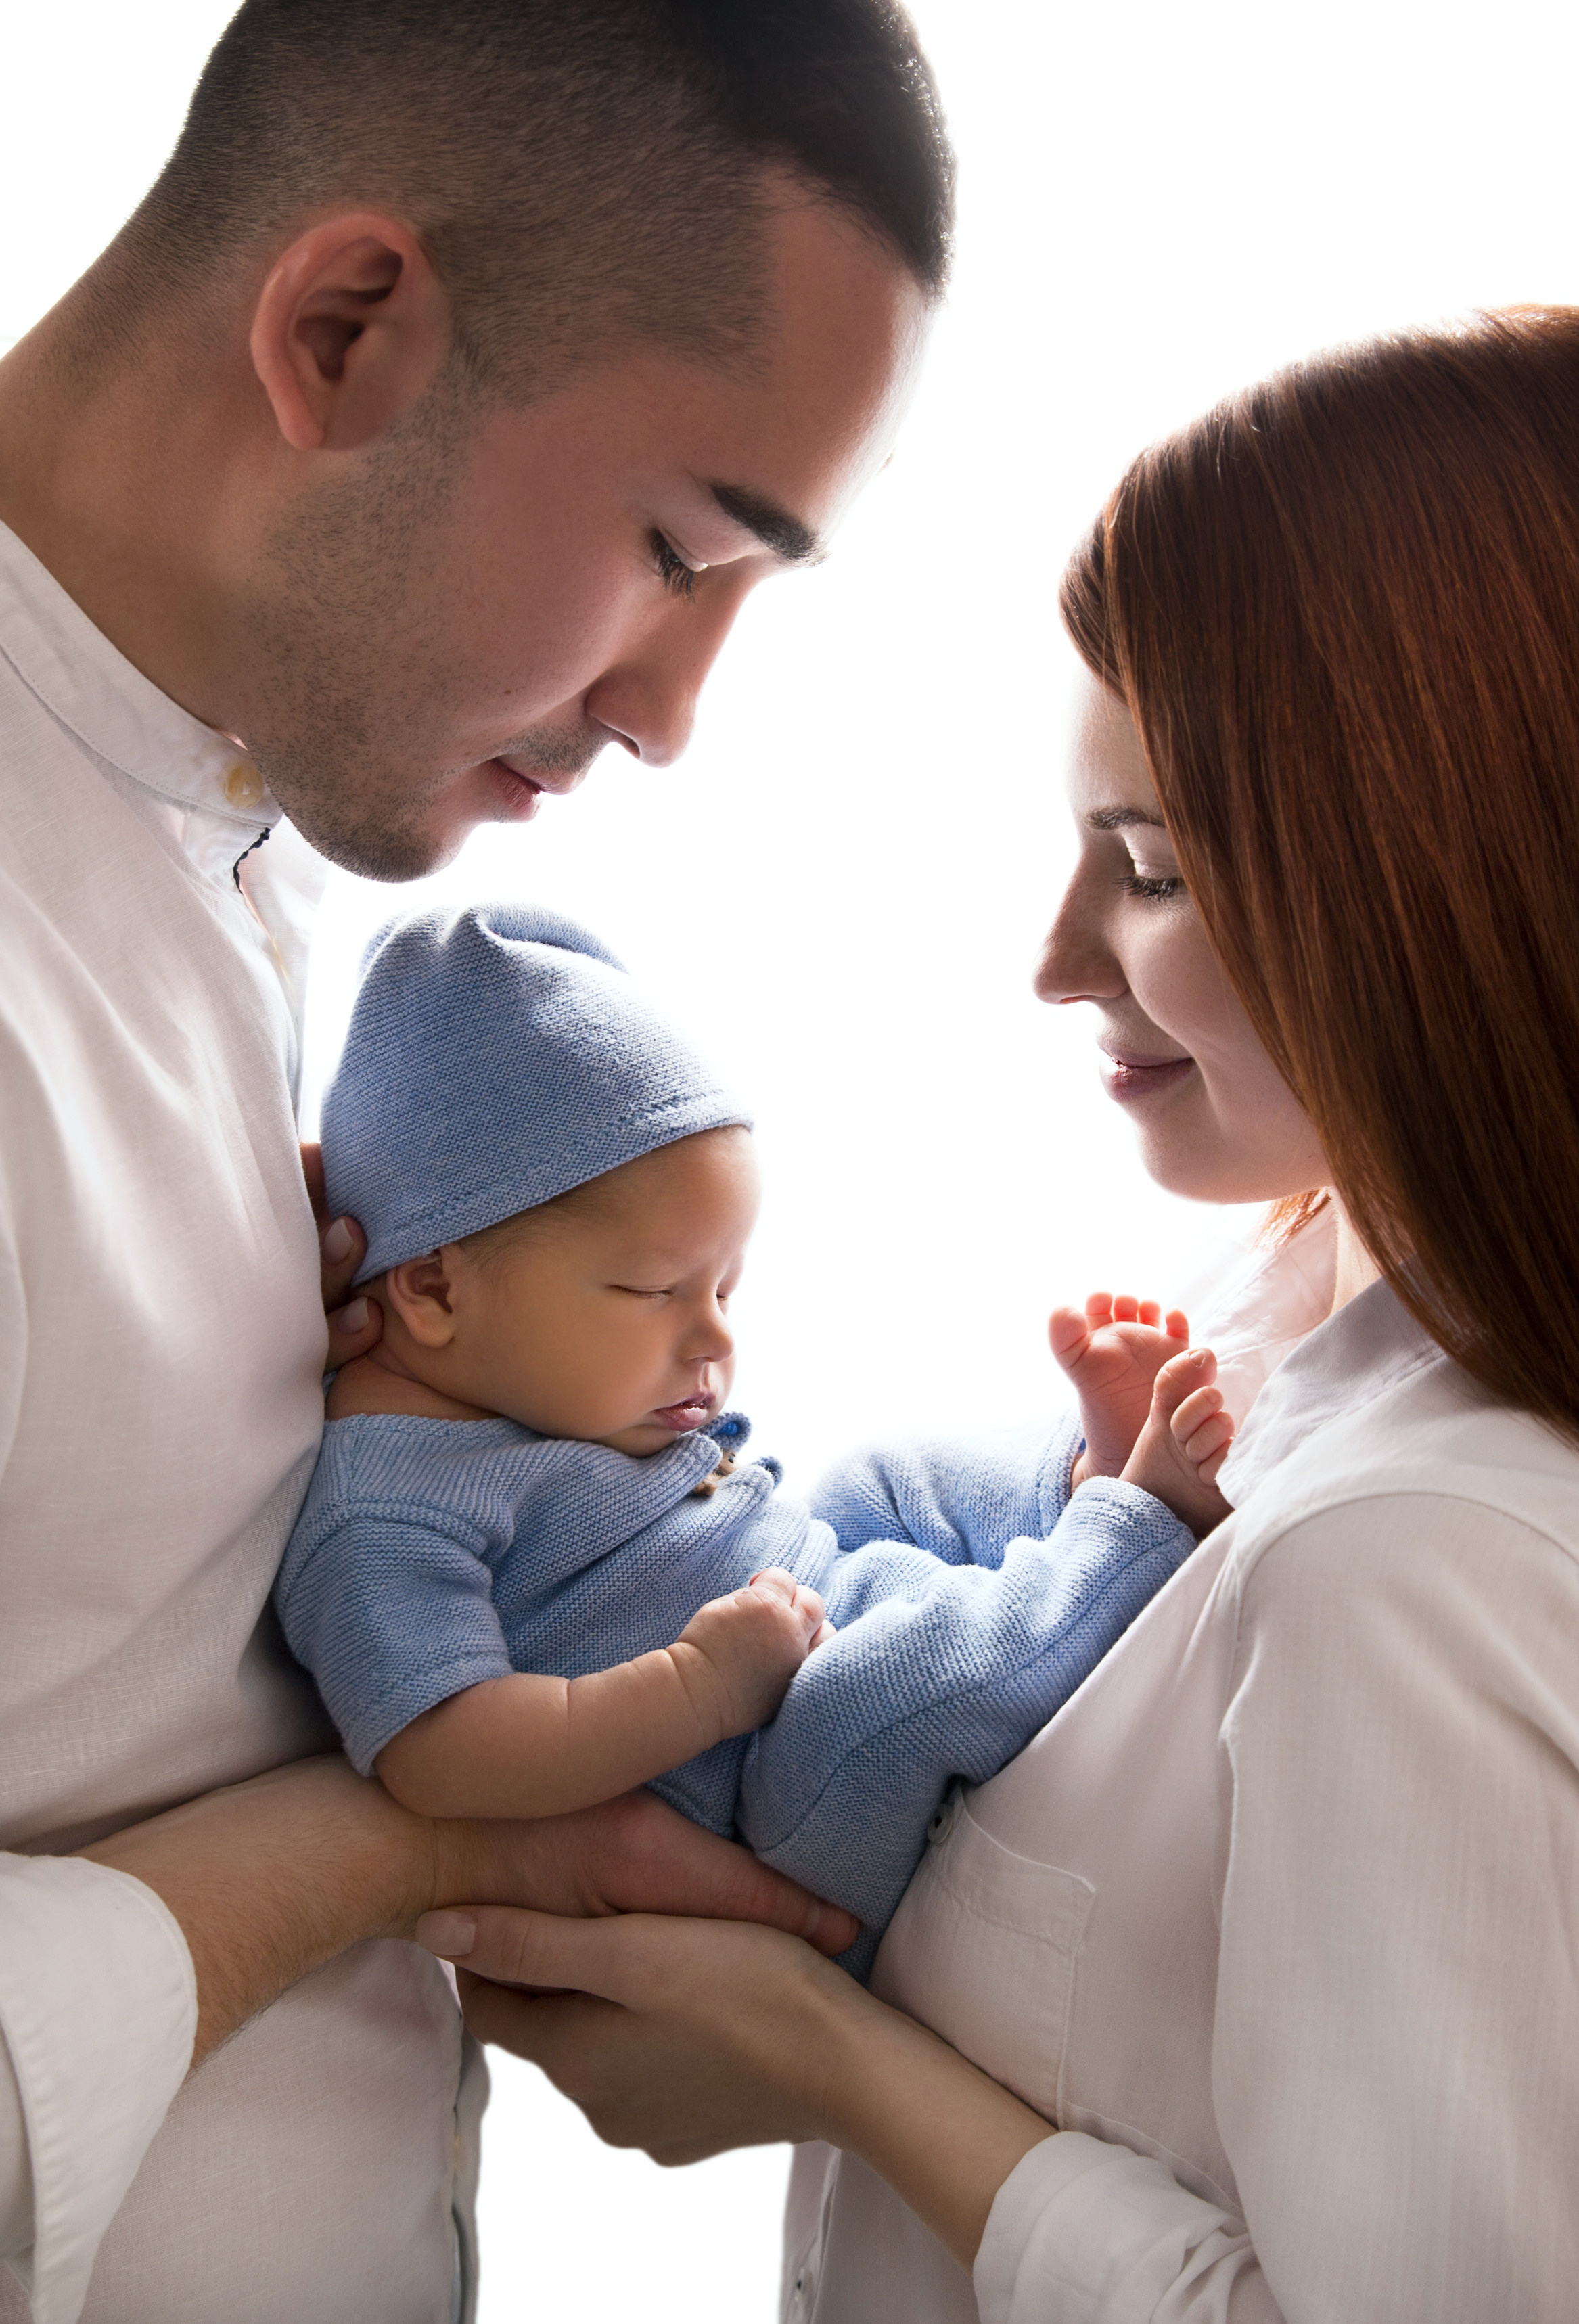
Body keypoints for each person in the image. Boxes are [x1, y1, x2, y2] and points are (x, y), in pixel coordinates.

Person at [426, 306, 1579, 2321]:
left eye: (1139, 868)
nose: (1054, 961)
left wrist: (824, 2059)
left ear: (1435, 878)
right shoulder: (1286, 1293)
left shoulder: (1404, 1566)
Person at [0, 3, 953, 2318]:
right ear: (343, 331)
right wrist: (404, 1838)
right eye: (668, 549)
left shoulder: (274, 841)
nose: (667, 710)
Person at [272, 899, 1229, 1974]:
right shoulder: (382, 1511)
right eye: (654, 1289)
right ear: (435, 1289)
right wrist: (695, 1688)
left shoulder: (537, 1394)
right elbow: (442, 1757)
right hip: (782, 1795)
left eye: (725, 1286)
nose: (714, 1335)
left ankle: (1072, 1478)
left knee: (882, 1477)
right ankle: (1129, 1532)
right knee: (877, 1688)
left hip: (793, 1604)